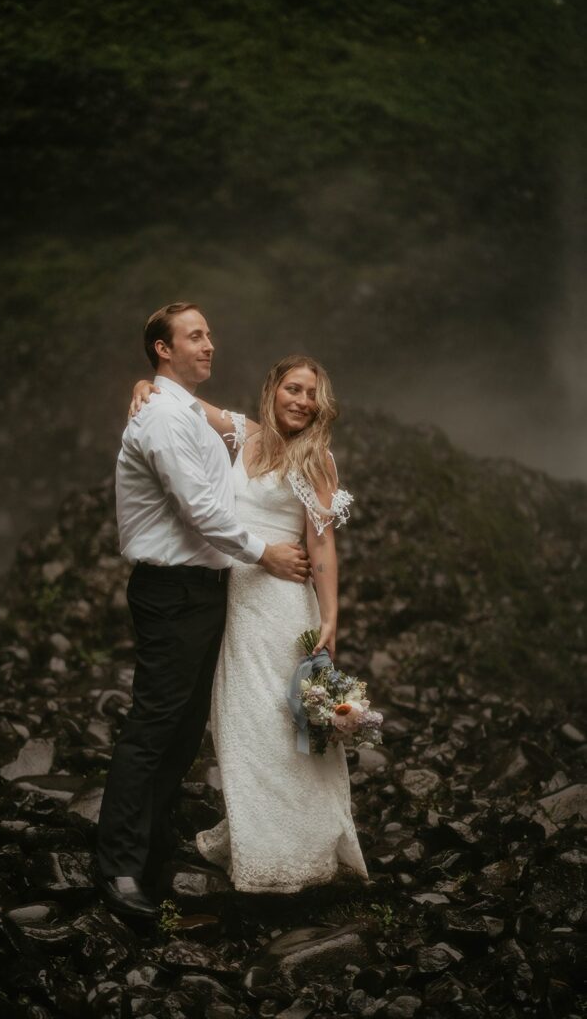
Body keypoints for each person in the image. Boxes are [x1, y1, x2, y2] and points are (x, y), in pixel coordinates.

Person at [95, 303, 311, 920]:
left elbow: (253, 432)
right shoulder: (162, 418)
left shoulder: (185, 410)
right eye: (196, 336)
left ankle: (155, 846)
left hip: (202, 590)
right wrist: (264, 553)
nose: (210, 345)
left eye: (210, 334)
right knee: (152, 728)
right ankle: (117, 868)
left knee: (184, 730)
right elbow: (200, 512)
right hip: (171, 590)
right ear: (164, 350)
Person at [130, 355, 369, 893]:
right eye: (293, 388)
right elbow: (183, 403)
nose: (302, 401)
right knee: (239, 724)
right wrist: (144, 383)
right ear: (273, 389)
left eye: (312, 392)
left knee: (281, 724)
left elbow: (322, 543)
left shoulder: (316, 458)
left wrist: (330, 617)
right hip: (233, 599)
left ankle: (294, 852)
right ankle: (255, 838)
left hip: (281, 604)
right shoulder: (247, 434)